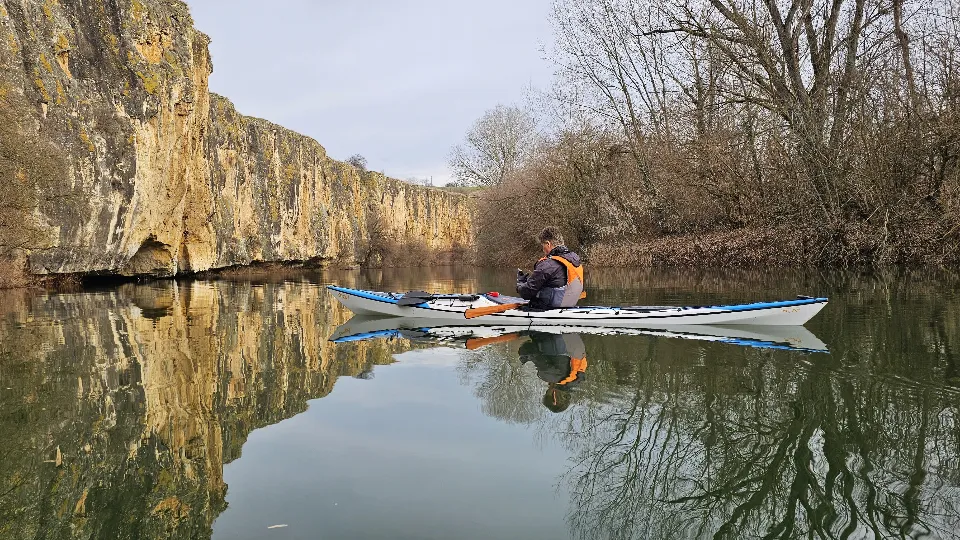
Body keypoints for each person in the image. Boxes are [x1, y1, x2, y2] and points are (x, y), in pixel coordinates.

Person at [516, 226, 585, 310]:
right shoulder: (574, 259)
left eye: (543, 245)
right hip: (569, 306)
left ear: (548, 244)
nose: (543, 249)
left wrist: (520, 283)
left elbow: (527, 293)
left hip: (548, 309)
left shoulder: (548, 264)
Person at [518, 332, 587, 413]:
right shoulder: (551, 377)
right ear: (554, 396)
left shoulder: (576, 376)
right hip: (552, 334)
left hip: (571, 333)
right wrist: (523, 357)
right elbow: (529, 348)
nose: (547, 389)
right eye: (547, 393)